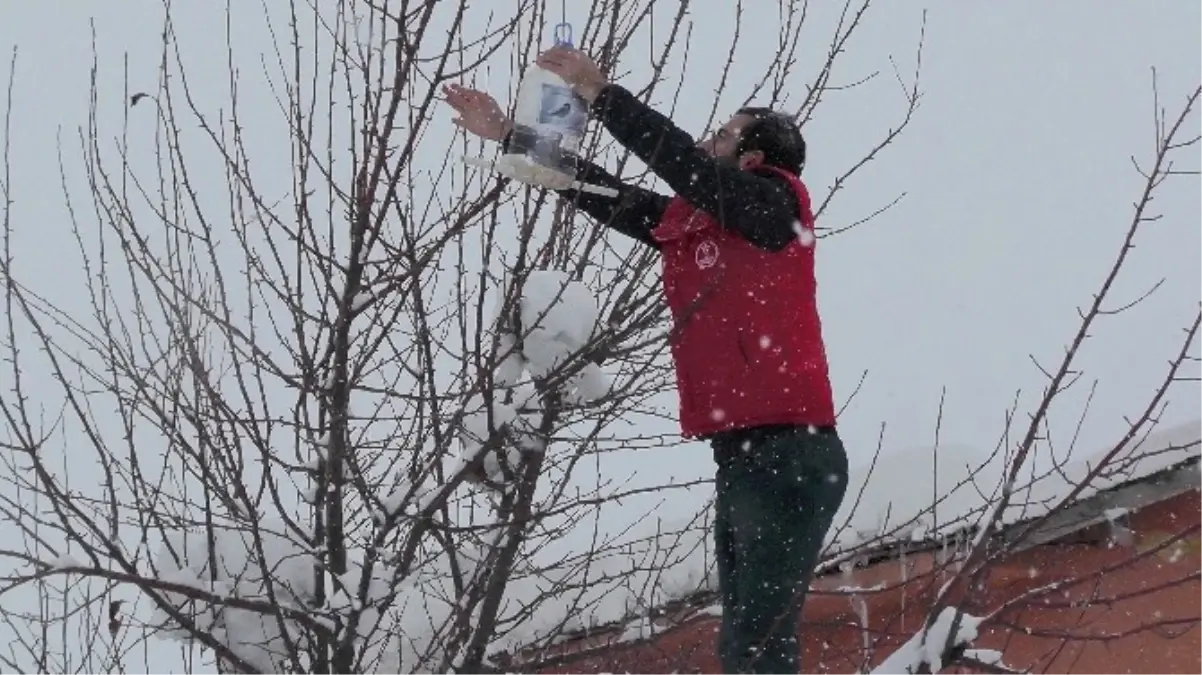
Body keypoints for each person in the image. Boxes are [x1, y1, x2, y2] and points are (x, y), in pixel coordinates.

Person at [444, 45, 850, 674]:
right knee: (743, 640)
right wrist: (509, 135)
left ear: (754, 159)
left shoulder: (776, 208)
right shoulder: (699, 223)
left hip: (790, 454)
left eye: (723, 135)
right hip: (741, 454)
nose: (707, 141)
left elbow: (686, 165)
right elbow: (605, 192)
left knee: (758, 644)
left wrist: (601, 94)